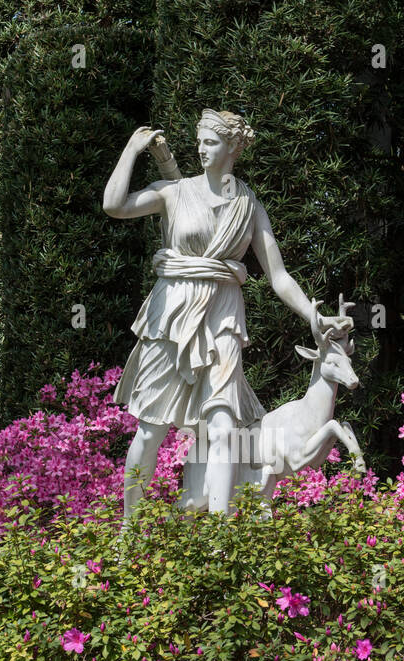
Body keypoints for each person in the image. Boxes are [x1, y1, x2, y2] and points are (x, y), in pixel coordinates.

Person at [103, 108, 350, 517]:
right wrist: (131, 149)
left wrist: (314, 317)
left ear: (233, 147)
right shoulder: (174, 192)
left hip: (223, 318)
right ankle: (129, 532)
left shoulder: (248, 207)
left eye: (211, 142)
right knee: (150, 431)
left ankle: (219, 543)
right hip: (171, 316)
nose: (201, 149)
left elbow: (279, 277)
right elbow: (114, 205)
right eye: (199, 141)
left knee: (222, 430)